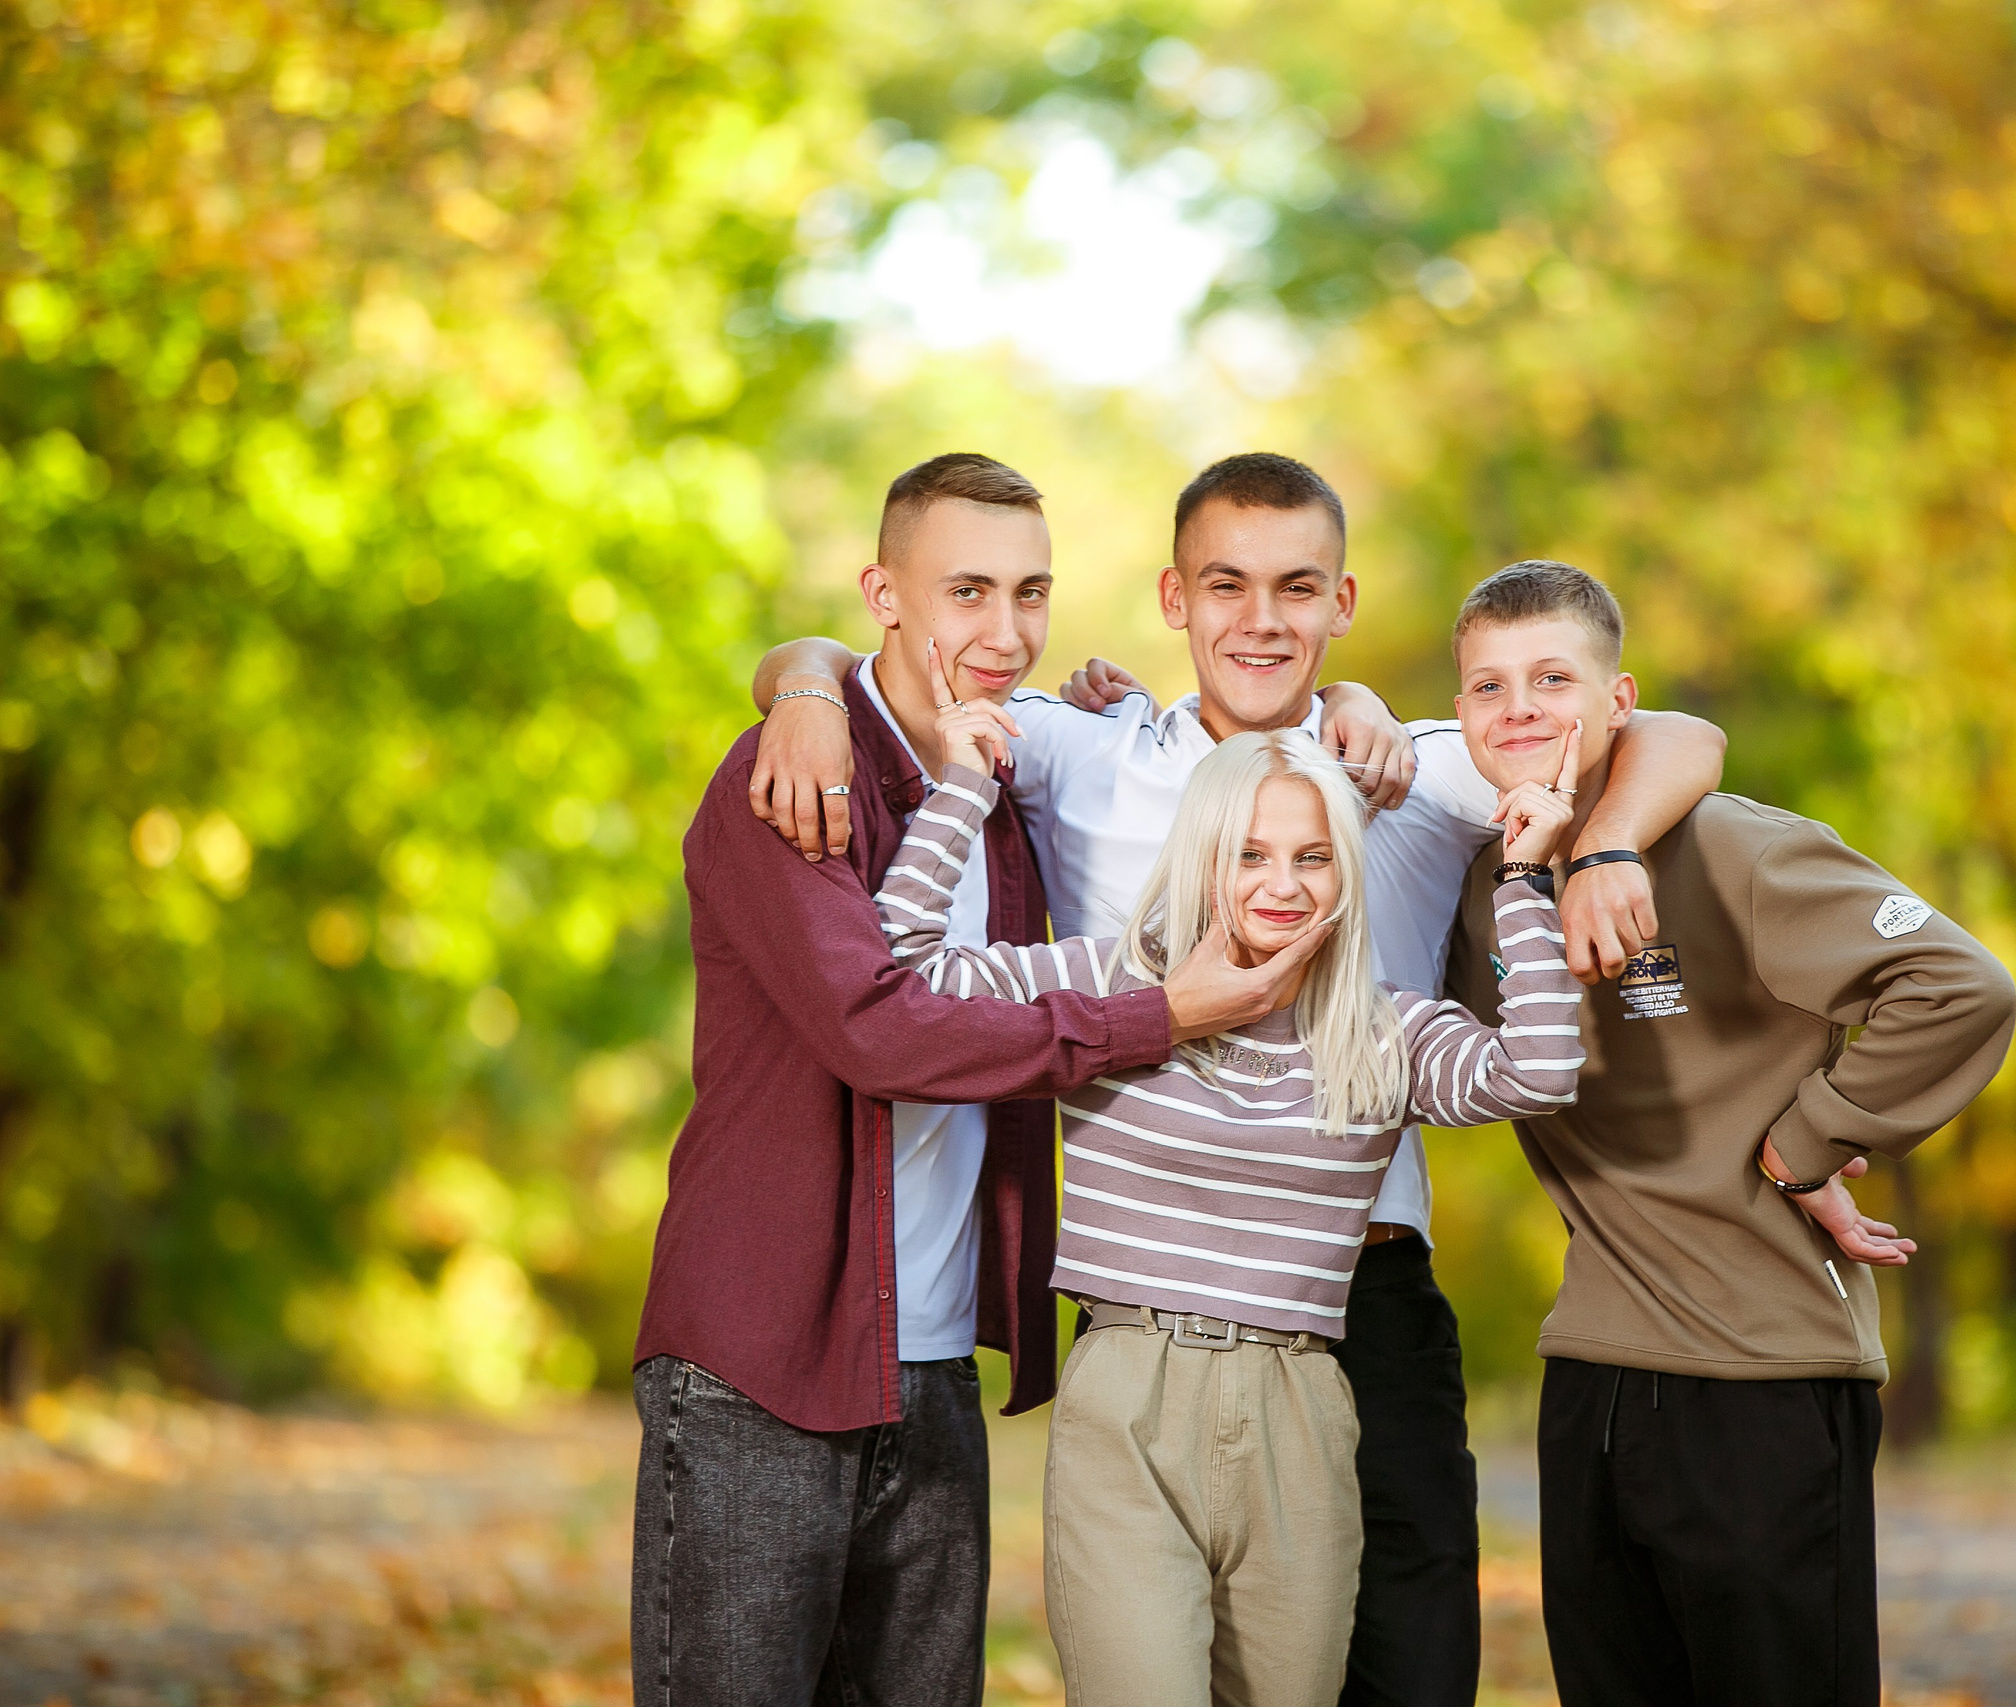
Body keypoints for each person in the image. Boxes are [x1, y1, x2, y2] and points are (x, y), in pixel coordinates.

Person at [749, 454, 1729, 1707]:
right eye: (1227, 586)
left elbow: (1672, 733)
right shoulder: (1082, 750)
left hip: (1352, 1287)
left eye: (1296, 589)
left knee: (1403, 1662)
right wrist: (805, 690)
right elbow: (883, 664)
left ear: (1342, 603)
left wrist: (1595, 851)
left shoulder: (1410, 767)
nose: (1260, 620)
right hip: (1144, 1288)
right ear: (1174, 598)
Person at [629, 453, 1311, 1707]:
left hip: (933, 1362)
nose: (1005, 634)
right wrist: (1158, 1016)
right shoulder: (789, 783)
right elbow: (881, 1029)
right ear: (883, 595)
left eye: (1032, 594)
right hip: (762, 1356)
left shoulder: (1002, 782)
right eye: (967, 594)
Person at [870, 662, 1587, 1705]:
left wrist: (1526, 879)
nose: (1280, 885)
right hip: (1128, 1396)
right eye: (1248, 854)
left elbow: (1539, 1071)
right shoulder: (1113, 986)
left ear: (1343, 873)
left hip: (1298, 1404)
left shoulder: (1380, 1033)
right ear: (1202, 857)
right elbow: (904, 969)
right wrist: (961, 786)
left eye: (1310, 858)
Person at [1443, 561, 2016, 1707]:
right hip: (1592, 1380)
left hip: (1762, 1377)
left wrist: (1809, 1140)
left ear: (1620, 701)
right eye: (1485, 686)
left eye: (1553, 677)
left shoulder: (1734, 849)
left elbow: (1962, 987)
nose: (1517, 710)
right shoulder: (1482, 887)